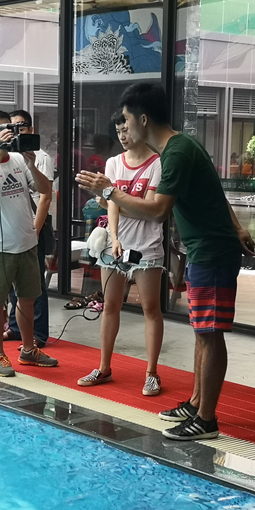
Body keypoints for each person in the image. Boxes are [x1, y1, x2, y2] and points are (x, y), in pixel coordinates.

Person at [77, 83, 255, 441]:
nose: (123, 127)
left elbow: (158, 211)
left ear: (143, 119)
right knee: (203, 333)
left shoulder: (174, 154)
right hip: (204, 250)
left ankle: (206, 420)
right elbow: (215, 192)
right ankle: (196, 404)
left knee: (210, 335)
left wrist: (109, 191)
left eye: (126, 119)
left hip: (212, 252)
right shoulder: (182, 146)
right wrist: (237, 227)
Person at [77, 111, 165, 396]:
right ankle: (104, 368)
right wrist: (114, 237)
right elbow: (112, 204)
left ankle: (152, 373)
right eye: (118, 131)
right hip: (114, 246)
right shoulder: (114, 163)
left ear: (140, 126)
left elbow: (150, 210)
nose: (123, 136)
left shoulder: (157, 163)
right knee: (109, 306)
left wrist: (114, 198)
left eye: (126, 129)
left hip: (147, 247)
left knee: (150, 308)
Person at [0, 110, 58, 377]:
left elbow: (45, 189)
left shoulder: (19, 159)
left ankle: (28, 349)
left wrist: (31, 164)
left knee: (28, 300)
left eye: (8, 128)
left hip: (27, 243)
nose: (6, 133)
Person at [4, 110, 53, 348]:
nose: (17, 132)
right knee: (15, 282)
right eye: (12, 128)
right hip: (15, 227)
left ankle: (38, 333)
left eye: (21, 127)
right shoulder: (8, 155)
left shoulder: (41, 156)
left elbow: (45, 197)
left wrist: (35, 230)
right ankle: (16, 328)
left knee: (35, 284)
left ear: (31, 129)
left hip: (34, 227)